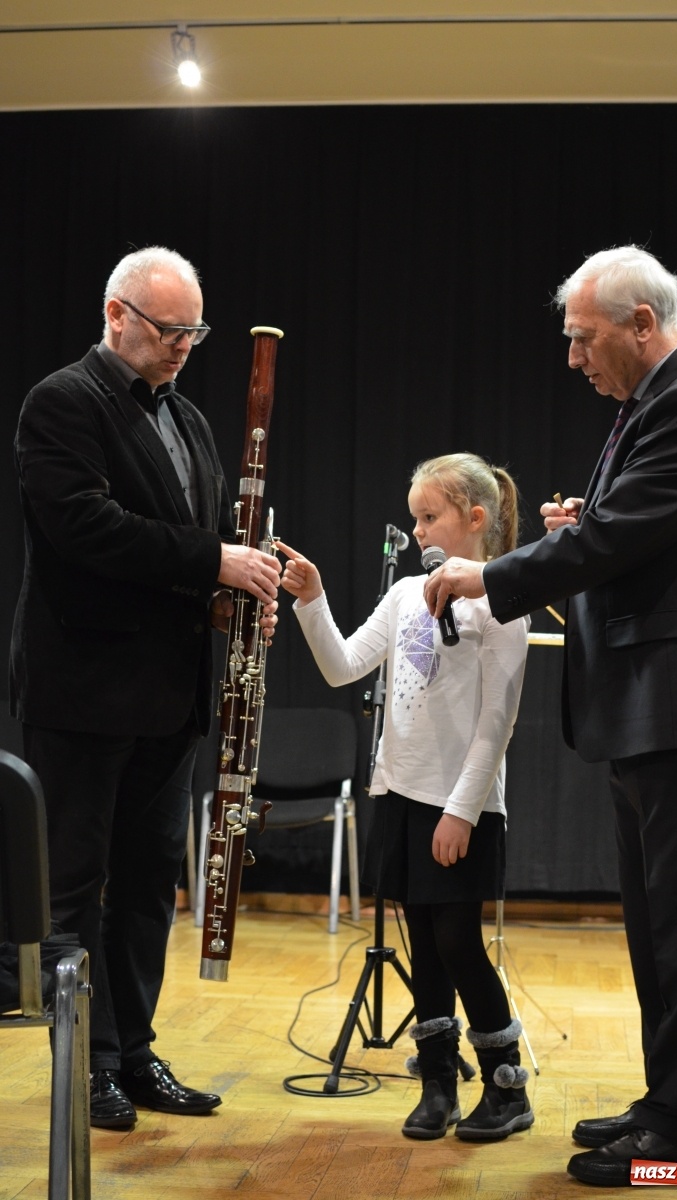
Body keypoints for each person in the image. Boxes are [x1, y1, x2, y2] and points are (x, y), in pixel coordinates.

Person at [424, 247, 677, 1186]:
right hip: (661, 704)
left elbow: (622, 542)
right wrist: (586, 526)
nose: (574, 358)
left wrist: (489, 574)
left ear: (641, 326)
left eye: (584, 338)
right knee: (663, 926)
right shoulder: (657, 402)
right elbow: (638, 534)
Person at [9, 247, 281, 1130]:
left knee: (145, 884)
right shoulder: (61, 402)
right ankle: (80, 1064)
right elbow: (84, 527)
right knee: (75, 887)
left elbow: (189, 546)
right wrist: (213, 560)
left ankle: (132, 1053)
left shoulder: (193, 422)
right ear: (114, 313)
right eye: (168, 331)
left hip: (169, 696)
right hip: (84, 691)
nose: (182, 347)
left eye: (193, 332)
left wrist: (234, 597)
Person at [278, 453, 534, 1142]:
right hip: (397, 790)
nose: (419, 531)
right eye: (416, 516)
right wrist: (312, 601)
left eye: (431, 517)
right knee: (422, 938)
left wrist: (460, 810)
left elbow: (496, 723)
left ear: (474, 519)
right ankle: (439, 1084)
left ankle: (507, 1087)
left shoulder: (500, 603)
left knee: (456, 939)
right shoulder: (402, 598)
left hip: (459, 803)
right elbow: (341, 667)